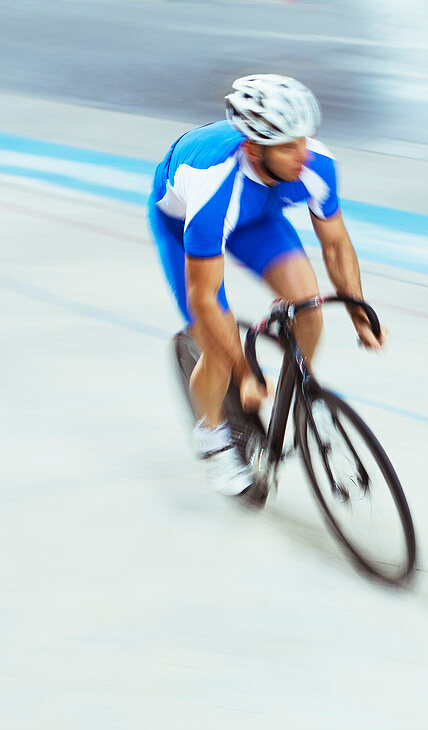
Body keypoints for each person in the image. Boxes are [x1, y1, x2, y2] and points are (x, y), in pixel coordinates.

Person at [149, 74, 387, 495]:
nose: (303, 154)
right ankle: (213, 436)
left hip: (257, 217)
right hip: (188, 224)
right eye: (288, 146)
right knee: (217, 349)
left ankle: (298, 394)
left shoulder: (316, 163)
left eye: (304, 140)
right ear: (254, 148)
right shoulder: (213, 186)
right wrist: (244, 374)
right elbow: (205, 298)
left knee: (308, 305)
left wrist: (358, 309)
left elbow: (335, 245)